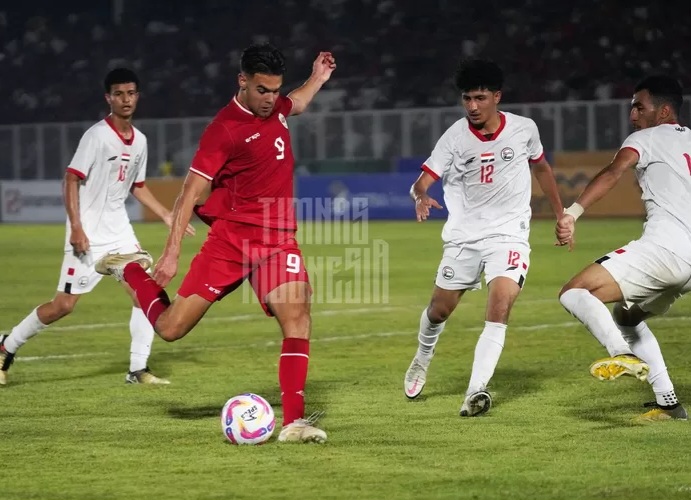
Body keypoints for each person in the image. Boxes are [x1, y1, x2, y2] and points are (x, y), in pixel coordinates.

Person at [95, 43, 336, 443]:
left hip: (277, 241)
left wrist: (318, 78)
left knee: (298, 317)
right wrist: (170, 256)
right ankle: (130, 268)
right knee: (171, 329)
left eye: (274, 90)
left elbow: (297, 103)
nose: (269, 99)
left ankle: (294, 423)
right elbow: (188, 194)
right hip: (231, 243)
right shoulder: (223, 130)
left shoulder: (275, 106)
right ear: (242, 81)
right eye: (261, 90)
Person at [0, 68, 194, 386]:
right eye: (119, 94)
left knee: (142, 293)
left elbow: (138, 186)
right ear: (109, 98)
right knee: (63, 306)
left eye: (131, 93)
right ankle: (6, 346)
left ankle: (137, 369)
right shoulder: (96, 136)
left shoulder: (141, 141)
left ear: (137, 96)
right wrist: (76, 227)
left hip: (119, 230)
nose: (126, 99)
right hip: (88, 233)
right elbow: (71, 178)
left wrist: (165, 214)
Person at [404, 59, 564, 416]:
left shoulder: (524, 129)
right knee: (438, 310)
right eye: (466, 99)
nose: (473, 106)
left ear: (496, 96)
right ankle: (422, 356)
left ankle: (474, 392)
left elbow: (542, 167)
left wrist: (560, 213)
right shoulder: (454, 137)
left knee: (499, 308)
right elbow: (424, 180)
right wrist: (420, 195)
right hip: (464, 238)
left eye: (479, 98)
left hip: (509, 236)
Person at [556, 75, 690, 422]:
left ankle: (621, 354)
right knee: (627, 317)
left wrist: (573, 213)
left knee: (574, 291)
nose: (633, 115)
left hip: (665, 250)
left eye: (639, 106)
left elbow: (614, 171)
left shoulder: (646, 137)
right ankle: (668, 404)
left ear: (663, 111)